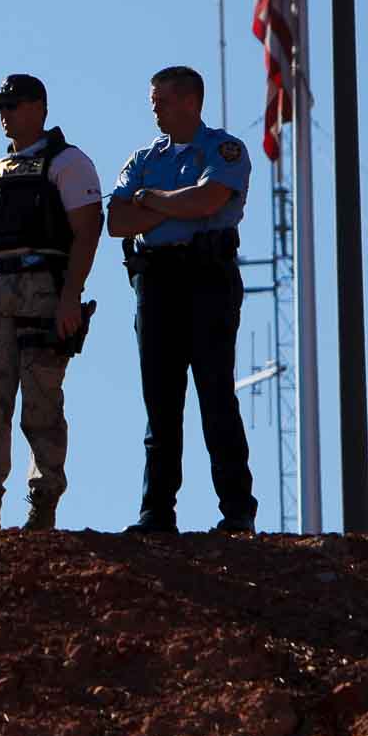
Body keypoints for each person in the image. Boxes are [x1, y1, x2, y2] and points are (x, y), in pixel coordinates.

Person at [107, 65, 259, 534]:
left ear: (190, 101)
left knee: (215, 395)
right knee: (161, 401)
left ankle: (236, 511)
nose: (154, 108)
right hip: (155, 281)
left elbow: (208, 201)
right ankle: (157, 511)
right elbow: (116, 220)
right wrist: (170, 203)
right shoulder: (144, 157)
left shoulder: (222, 149)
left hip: (207, 276)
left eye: (162, 100)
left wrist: (151, 202)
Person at [0, 74, 103, 531]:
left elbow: (87, 230)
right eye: (0, 107)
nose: (5, 114)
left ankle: (43, 504)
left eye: (13, 105)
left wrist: (69, 298)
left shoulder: (68, 162)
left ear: (39, 106)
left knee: (41, 401)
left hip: (43, 287)